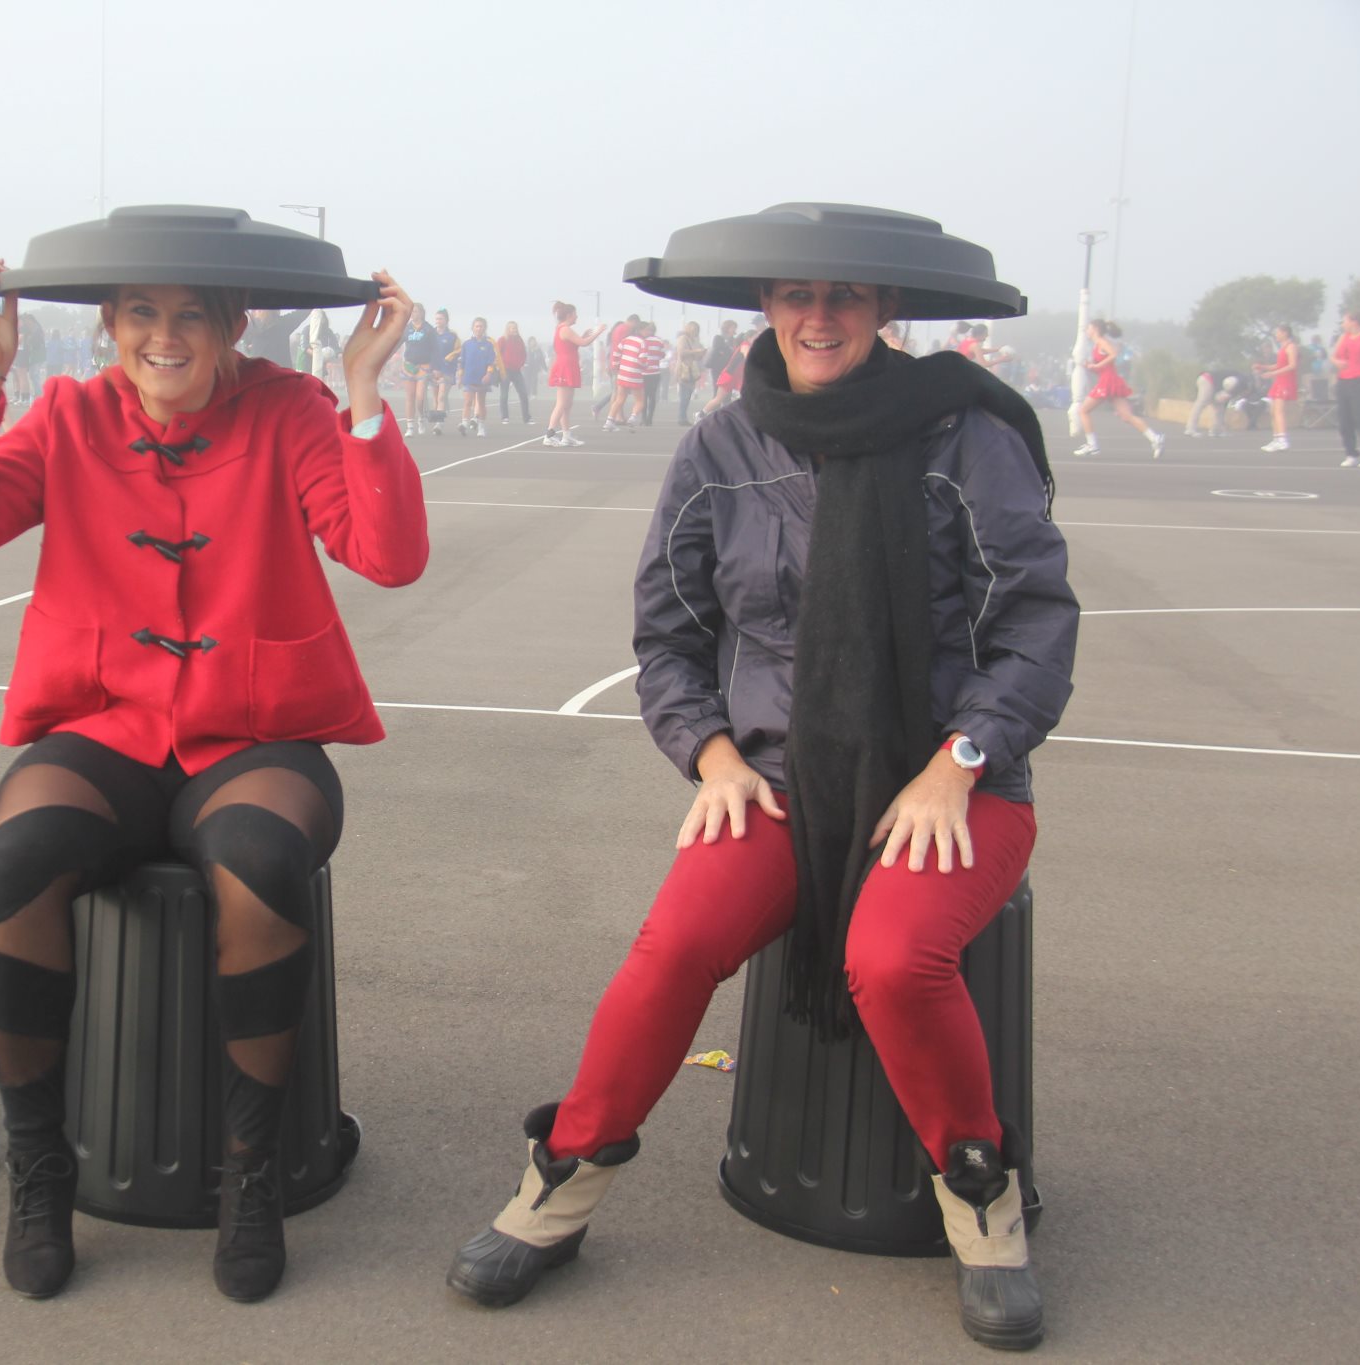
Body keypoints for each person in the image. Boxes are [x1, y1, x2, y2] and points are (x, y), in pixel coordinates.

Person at [447, 270, 1078, 1353]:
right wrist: (710, 753)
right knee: (676, 941)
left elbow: (1034, 625)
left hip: (952, 778)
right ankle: (561, 1184)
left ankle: (982, 1198)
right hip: (781, 774)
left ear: (885, 312)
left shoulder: (967, 435)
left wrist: (961, 759)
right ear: (768, 309)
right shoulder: (720, 446)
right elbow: (669, 634)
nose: (818, 317)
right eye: (796, 296)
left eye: (844, 297)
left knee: (893, 959)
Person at [0, 255, 427, 1304]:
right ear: (109, 322)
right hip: (105, 727)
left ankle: (250, 1171)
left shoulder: (290, 410)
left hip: (257, 734)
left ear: (234, 325)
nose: (165, 336)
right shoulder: (66, 416)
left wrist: (364, 389)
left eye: (193, 315)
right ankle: (40, 1168)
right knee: (19, 856)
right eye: (141, 312)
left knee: (258, 860)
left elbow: (388, 555)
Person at [1073, 319, 1165, 457]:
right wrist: (1091, 367)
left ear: (1095, 329)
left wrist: (1097, 366)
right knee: (1127, 416)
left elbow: (1113, 354)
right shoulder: (1097, 344)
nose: (1087, 331)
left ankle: (1092, 445)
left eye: (1089, 328)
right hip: (1109, 379)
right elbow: (1105, 364)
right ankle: (1155, 438)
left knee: (1083, 410)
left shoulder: (1102, 341)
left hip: (1108, 381)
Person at [543, 302, 606, 446]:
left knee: (567, 404)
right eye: (575, 314)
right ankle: (549, 434)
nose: (577, 317)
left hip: (569, 365)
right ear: (569, 315)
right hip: (565, 366)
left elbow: (575, 344)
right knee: (561, 403)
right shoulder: (564, 329)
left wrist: (584, 336)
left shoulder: (565, 329)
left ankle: (566, 435)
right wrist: (598, 332)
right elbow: (583, 343)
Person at [1251, 323, 1300, 453]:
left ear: (1285, 333)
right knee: (1273, 411)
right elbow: (1279, 365)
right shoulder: (1283, 347)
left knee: (1279, 411)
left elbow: (1292, 365)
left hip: (1286, 381)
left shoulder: (1291, 347)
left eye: (1278, 332)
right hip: (1279, 381)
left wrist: (1273, 374)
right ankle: (1276, 438)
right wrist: (1263, 367)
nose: (1276, 335)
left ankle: (1283, 440)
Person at [1332, 313, 1360, 466]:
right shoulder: (1344, 337)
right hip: (1343, 381)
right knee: (1344, 419)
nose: (1343, 324)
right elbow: (1334, 356)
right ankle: (1351, 453)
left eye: (1345, 321)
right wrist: (1337, 362)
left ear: (1354, 322)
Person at [399, 302, 440, 436]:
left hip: (424, 366)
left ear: (421, 313)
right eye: (411, 311)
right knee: (410, 396)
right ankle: (410, 426)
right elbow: (398, 343)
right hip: (409, 365)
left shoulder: (429, 329)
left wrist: (435, 367)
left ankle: (421, 417)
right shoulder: (407, 328)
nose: (413, 314)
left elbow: (435, 349)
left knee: (420, 397)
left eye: (415, 311)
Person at [457, 316, 498, 435]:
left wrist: (488, 374)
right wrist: (460, 376)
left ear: (484, 328)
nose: (479, 328)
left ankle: (481, 427)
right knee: (467, 402)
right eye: (476, 326)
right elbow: (462, 362)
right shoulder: (467, 344)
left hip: (482, 378)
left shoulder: (488, 345)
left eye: (481, 326)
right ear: (473, 328)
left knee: (481, 403)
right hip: (469, 377)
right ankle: (464, 424)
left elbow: (491, 362)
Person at [496, 320, 533, 425]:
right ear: (508, 329)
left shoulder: (519, 340)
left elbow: (523, 354)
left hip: (517, 371)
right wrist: (500, 366)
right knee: (504, 394)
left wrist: (521, 363)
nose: (514, 330)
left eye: (515, 328)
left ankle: (527, 418)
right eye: (512, 328)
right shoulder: (502, 340)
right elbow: (497, 353)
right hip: (505, 370)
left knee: (523, 393)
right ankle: (505, 417)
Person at [673, 321, 706, 424]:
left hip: (692, 369)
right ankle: (681, 418)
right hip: (683, 369)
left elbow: (696, 356)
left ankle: (683, 417)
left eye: (697, 330)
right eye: (694, 329)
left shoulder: (695, 340)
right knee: (684, 395)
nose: (695, 332)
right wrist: (696, 351)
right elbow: (681, 352)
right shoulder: (683, 339)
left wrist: (701, 353)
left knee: (688, 395)